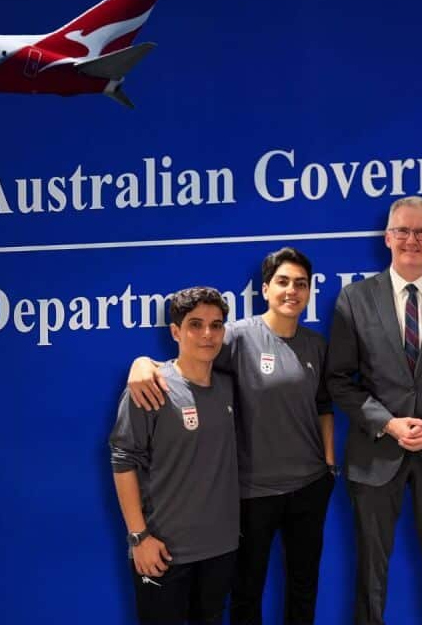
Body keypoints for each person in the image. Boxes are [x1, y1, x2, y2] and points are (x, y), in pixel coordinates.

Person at [126, 247, 335, 625]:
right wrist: (142, 363)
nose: (292, 290)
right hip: (252, 492)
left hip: (309, 487)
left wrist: (329, 465)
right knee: (246, 593)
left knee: (304, 588)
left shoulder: (316, 346)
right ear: (266, 289)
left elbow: (323, 406)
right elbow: (189, 361)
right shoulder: (236, 337)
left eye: (301, 284)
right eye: (283, 282)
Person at [326, 195, 422, 625]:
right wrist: (388, 423)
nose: (412, 240)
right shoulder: (354, 299)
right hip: (375, 453)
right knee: (370, 572)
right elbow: (339, 379)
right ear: (387, 237)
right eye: (404, 231)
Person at [110, 286, 240, 624]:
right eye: (195, 324)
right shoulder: (150, 388)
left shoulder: (231, 387)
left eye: (216, 325)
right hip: (162, 552)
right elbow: (123, 460)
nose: (207, 333)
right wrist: (139, 537)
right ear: (175, 332)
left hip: (221, 550)